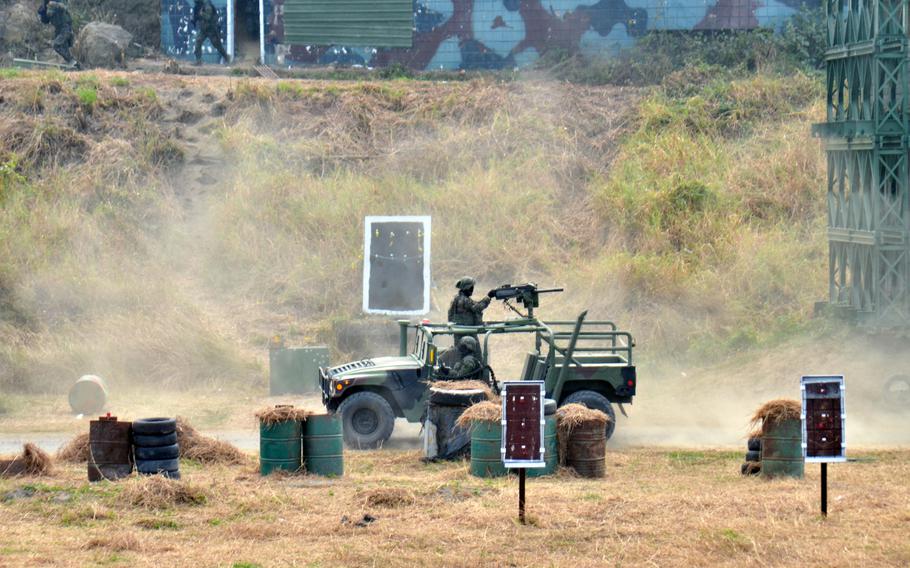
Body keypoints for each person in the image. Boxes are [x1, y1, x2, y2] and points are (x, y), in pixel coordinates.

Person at [37, 0, 76, 66]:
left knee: (57, 45)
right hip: (58, 29)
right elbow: (46, 21)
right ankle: (75, 65)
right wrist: (43, 12)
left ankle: (72, 61)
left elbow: (64, 7)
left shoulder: (58, 2)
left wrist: (55, 4)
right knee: (63, 48)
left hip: (65, 27)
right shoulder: (45, 4)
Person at [192, 0, 230, 65]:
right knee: (198, 43)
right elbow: (196, 17)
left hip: (211, 30)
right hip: (203, 30)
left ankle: (227, 57)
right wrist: (194, 20)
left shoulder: (207, 6)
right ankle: (198, 60)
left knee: (217, 45)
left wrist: (202, 14)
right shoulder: (197, 7)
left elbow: (209, 17)